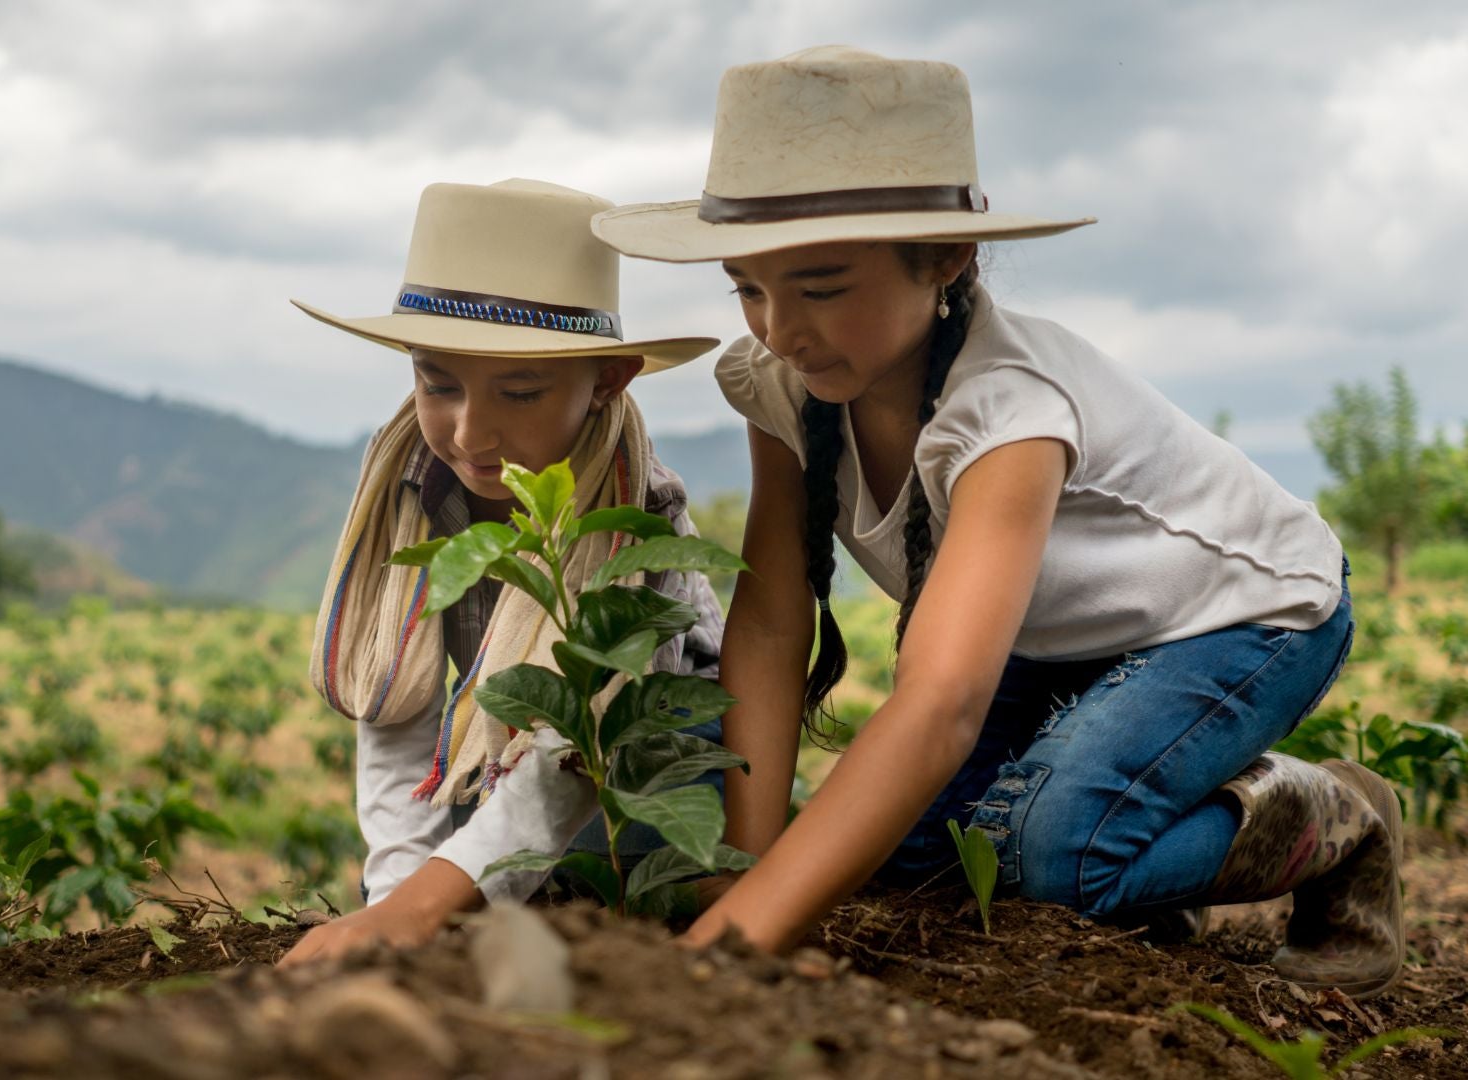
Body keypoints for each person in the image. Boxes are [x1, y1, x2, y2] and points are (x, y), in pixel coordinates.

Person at [591, 47, 1399, 998]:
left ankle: (1340, 815)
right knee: (914, 865)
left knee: (1056, 855)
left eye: (819, 286)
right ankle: (1142, 865)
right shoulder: (779, 384)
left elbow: (940, 704)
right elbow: (771, 624)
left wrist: (732, 947)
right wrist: (749, 872)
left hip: (1241, 615)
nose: (779, 327)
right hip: (1057, 637)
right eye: (748, 287)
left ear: (946, 257)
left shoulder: (1008, 407)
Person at [279, 179, 725, 965]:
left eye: (518, 391)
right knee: (446, 853)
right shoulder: (410, 486)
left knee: (597, 855)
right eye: (436, 383)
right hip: (509, 762)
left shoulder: (636, 512)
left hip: (645, 767)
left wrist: (429, 904)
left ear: (607, 383)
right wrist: (395, 908)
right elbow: (397, 702)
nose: (469, 432)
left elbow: (574, 753)